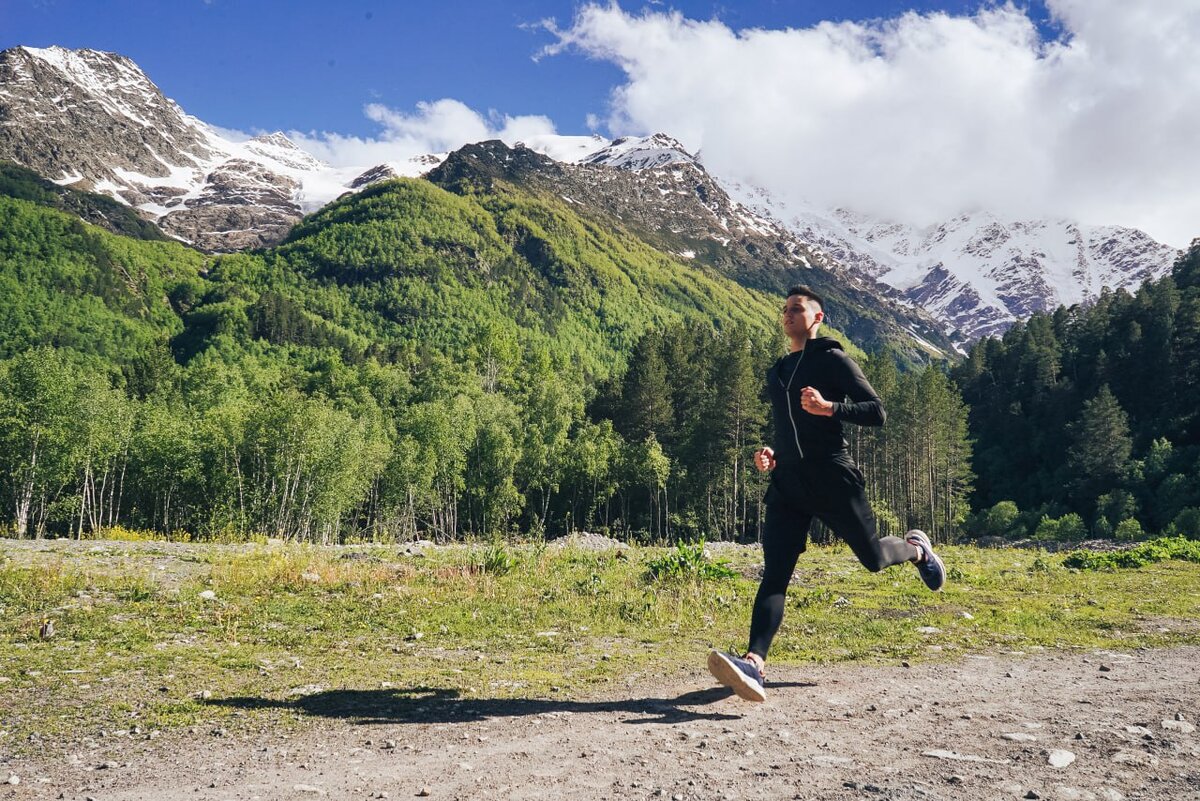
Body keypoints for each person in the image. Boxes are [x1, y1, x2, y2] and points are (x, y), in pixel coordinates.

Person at [707, 285, 946, 702]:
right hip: (790, 485)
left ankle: (917, 549)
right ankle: (754, 663)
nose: (788, 315)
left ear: (817, 318)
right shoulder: (778, 371)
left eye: (797, 309)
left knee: (872, 558)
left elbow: (877, 411)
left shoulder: (832, 359)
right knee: (775, 574)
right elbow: (788, 430)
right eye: (784, 310)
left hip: (833, 478)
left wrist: (830, 407)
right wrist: (770, 454)